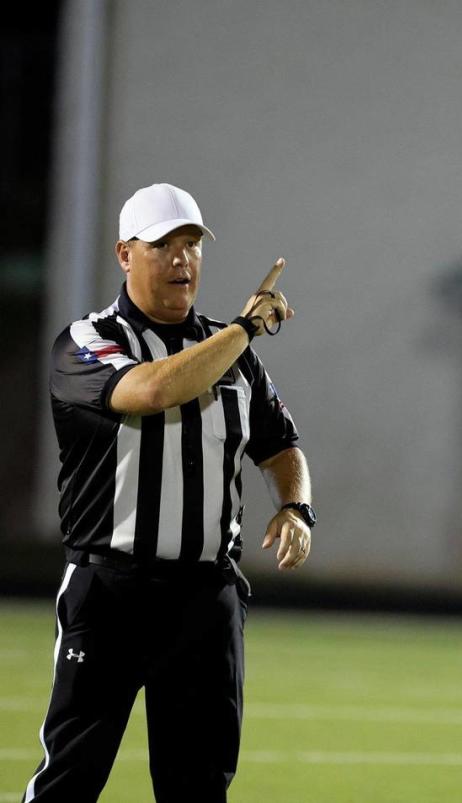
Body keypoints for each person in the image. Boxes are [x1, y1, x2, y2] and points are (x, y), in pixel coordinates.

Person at [24, 183, 317, 802]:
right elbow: (152, 391)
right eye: (164, 245)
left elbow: (280, 443)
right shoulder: (85, 340)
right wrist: (244, 330)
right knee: (70, 781)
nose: (182, 259)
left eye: (192, 245)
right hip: (110, 593)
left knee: (199, 788)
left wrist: (295, 505)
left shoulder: (231, 350)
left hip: (204, 599)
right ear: (124, 254)